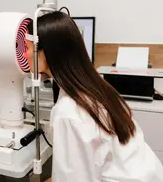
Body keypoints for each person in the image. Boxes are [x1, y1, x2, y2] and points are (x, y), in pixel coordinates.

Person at [25, 11, 163, 182]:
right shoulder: (99, 88)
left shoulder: (67, 113)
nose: (24, 55)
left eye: (27, 48)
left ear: (43, 53)